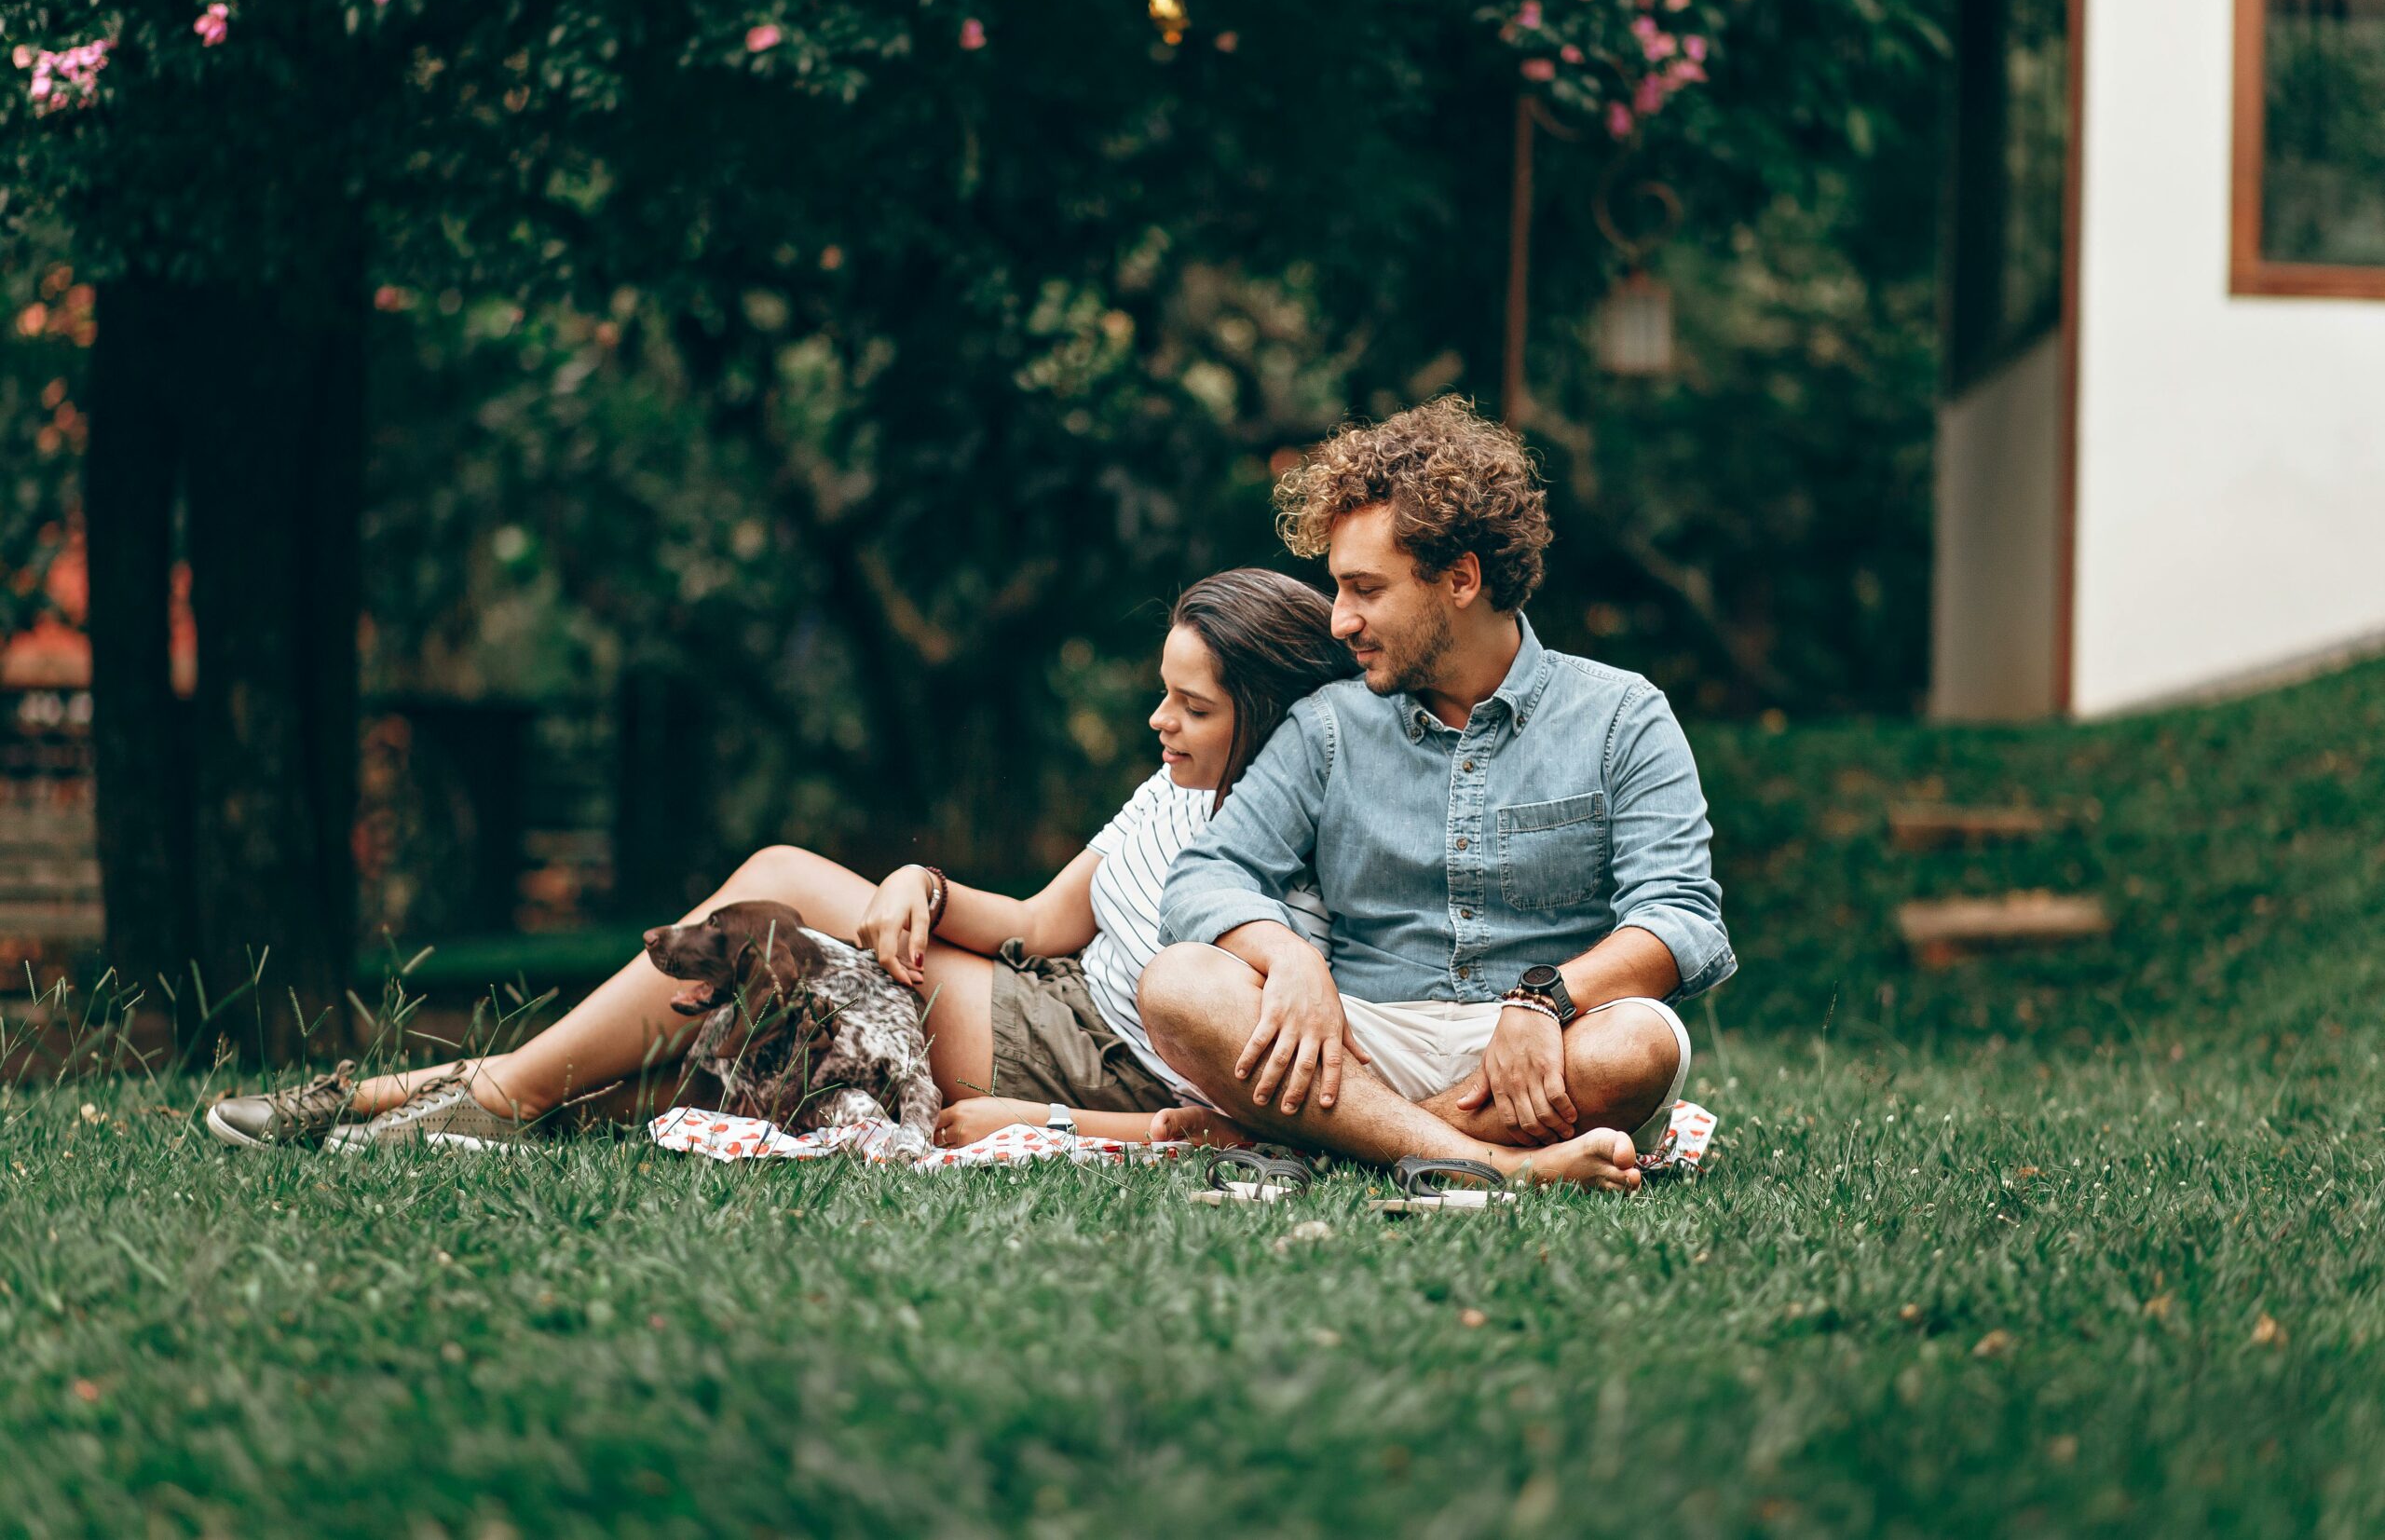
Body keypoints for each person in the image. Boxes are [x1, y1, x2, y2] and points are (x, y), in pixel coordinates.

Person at [206, 569, 1356, 1152]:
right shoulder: (1175, 787)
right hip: (1037, 989)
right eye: (1161, 691)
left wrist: (1084, 1127)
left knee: (779, 907)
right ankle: (433, 1100)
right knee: (750, 966)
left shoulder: (1302, 850)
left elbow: (1249, 1080)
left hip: (1083, 1055)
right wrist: (929, 888)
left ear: (1265, 715)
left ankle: (453, 1096)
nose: (1157, 720)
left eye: (1189, 706)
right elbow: (1041, 923)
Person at [1138, 395, 1736, 1192]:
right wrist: (1290, 961)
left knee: (1641, 1046)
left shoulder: (1621, 714)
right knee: (1178, 982)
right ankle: (1504, 1164)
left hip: (1546, 1047)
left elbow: (1680, 914)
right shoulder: (1328, 727)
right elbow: (1204, 876)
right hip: (1361, 1038)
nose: (1340, 620)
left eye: (1365, 589)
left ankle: (1349, 1139)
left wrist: (1545, 998)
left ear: (1461, 579)